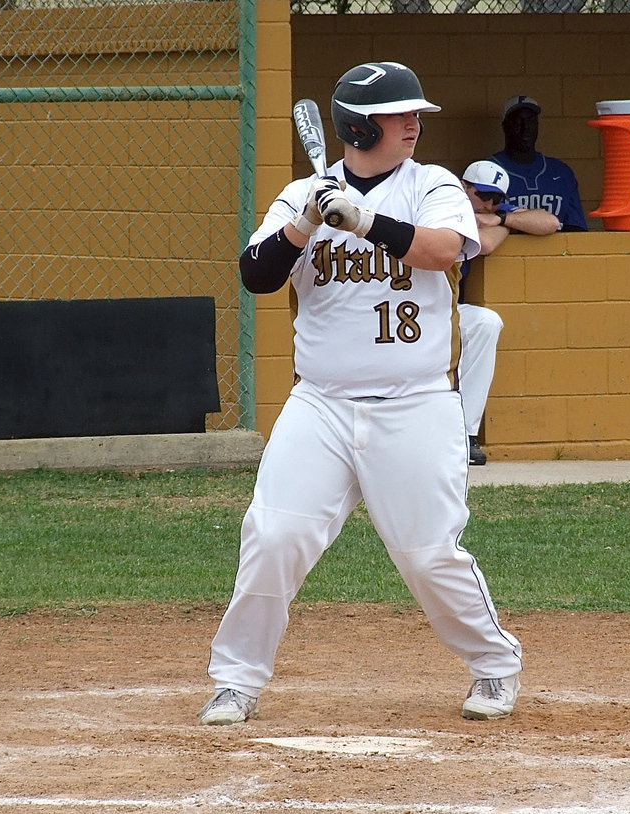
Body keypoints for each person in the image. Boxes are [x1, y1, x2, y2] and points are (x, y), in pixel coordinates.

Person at [201, 61, 522, 726]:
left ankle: (494, 667)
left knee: (428, 554)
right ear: (356, 125)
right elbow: (256, 277)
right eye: (401, 115)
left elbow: (443, 252)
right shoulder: (301, 196)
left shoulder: (432, 185)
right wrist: (303, 227)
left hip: (416, 403)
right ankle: (235, 681)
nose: (414, 124)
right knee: (275, 535)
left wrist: (363, 220)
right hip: (320, 405)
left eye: (414, 114)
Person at [457, 159, 560, 466]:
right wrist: (501, 223)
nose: (489, 204)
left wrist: (502, 219)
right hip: (402, 304)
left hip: (445, 307)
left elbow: (550, 223)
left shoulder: (494, 212)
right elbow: (485, 244)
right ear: (465, 187)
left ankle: (464, 435)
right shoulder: (445, 202)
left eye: (496, 199)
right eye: (483, 195)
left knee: (486, 323)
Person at [487, 95, 587, 232]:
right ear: (505, 126)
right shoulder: (487, 170)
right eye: (518, 122)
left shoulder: (561, 172)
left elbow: (577, 229)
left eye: (531, 121)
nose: (525, 127)